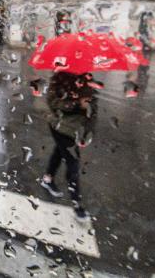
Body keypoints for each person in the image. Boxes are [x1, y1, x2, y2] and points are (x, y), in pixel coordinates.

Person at [41, 71, 97, 222]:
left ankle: (47, 179)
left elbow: (94, 112)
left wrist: (87, 135)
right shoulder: (60, 75)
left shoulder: (88, 79)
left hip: (75, 131)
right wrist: (77, 103)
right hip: (59, 127)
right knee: (73, 164)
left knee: (59, 152)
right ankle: (77, 205)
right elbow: (52, 102)